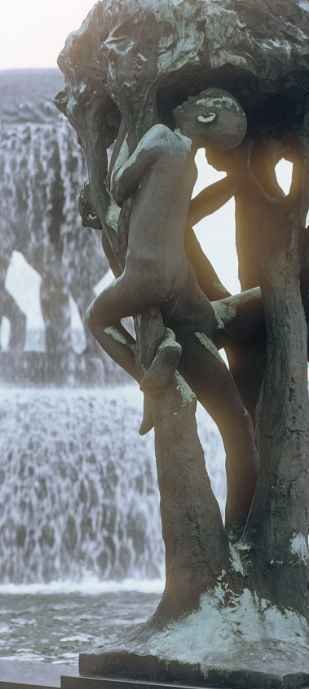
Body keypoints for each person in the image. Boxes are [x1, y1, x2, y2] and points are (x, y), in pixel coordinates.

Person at [86, 89, 258, 539]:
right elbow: (187, 212)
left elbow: (121, 186)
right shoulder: (191, 163)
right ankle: (239, 534)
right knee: (210, 330)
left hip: (146, 272)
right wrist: (234, 184)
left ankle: (149, 375)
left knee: (97, 319)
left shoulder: (161, 136)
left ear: (200, 112)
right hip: (182, 279)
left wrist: (117, 141)